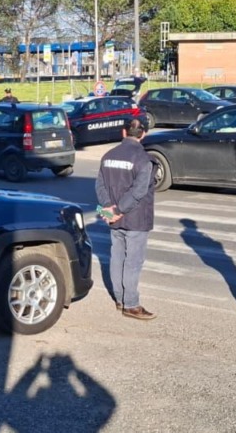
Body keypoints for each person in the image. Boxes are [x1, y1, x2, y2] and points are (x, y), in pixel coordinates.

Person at [95, 118, 156, 320]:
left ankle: (119, 299)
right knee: (133, 261)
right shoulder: (143, 159)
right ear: (143, 134)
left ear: (123, 132)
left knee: (117, 257)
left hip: (114, 218)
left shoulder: (108, 156)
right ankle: (131, 304)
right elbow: (139, 191)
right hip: (136, 218)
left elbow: (100, 185)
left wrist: (108, 209)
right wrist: (120, 209)